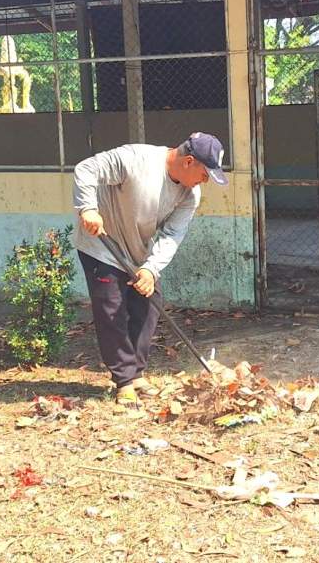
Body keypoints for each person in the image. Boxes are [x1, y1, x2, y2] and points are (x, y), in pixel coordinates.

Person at [73, 132, 228, 408]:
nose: (204, 182)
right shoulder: (136, 159)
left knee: (149, 302)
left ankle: (136, 373)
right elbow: (86, 168)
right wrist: (88, 208)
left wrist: (150, 270)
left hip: (137, 252)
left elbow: (172, 235)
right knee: (112, 310)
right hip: (101, 245)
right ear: (189, 162)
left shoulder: (190, 194)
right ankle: (124, 381)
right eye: (205, 175)